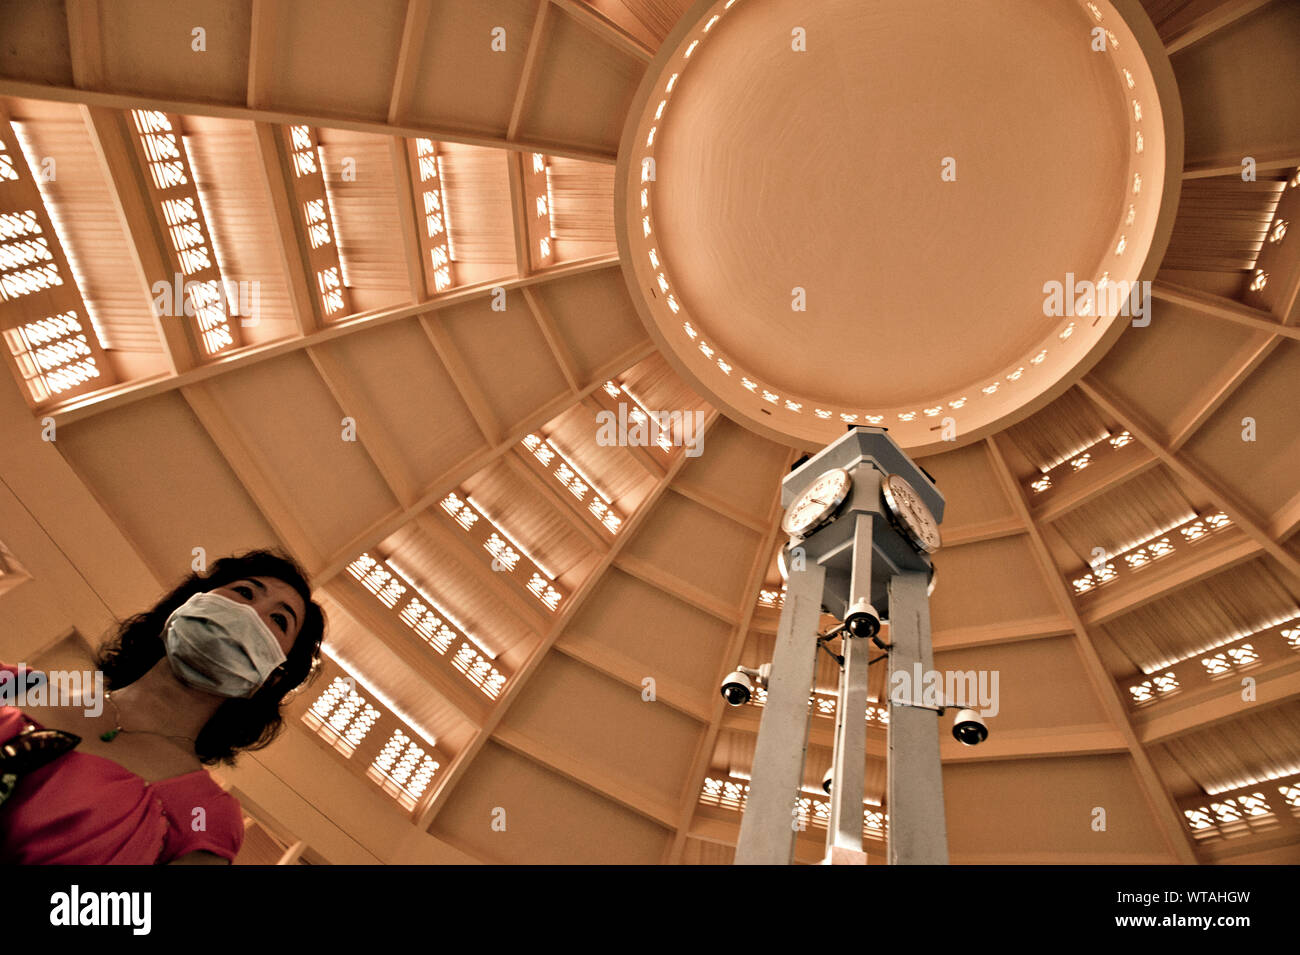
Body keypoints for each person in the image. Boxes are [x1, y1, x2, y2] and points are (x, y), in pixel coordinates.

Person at [0, 550, 325, 864]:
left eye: (279, 620)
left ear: (271, 678)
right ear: (188, 604)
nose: (249, 614)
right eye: (244, 592)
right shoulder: (14, 683)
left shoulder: (207, 819)